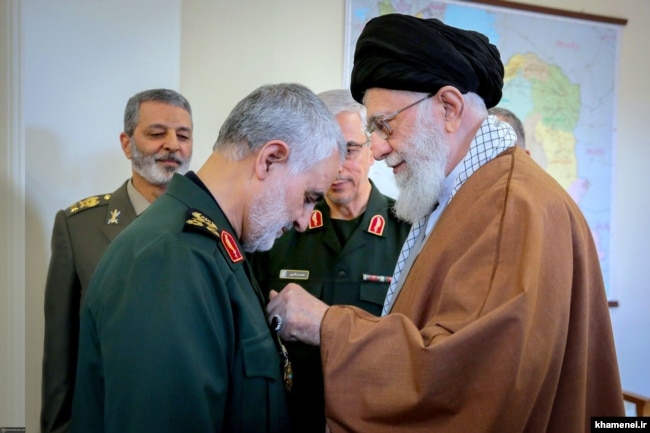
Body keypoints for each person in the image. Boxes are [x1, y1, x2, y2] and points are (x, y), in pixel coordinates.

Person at [266, 14, 624, 433]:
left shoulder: (510, 206)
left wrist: (325, 325)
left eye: (384, 125)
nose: (377, 149)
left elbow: (464, 378)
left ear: (449, 107)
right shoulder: (469, 193)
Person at [70, 83, 346, 433]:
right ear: (270, 159)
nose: (305, 221)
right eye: (309, 196)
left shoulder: (218, 248)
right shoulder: (171, 259)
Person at [251, 89, 411, 432]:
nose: (337, 166)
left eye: (350, 149)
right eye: (327, 152)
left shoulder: (408, 234)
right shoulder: (278, 232)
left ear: (372, 151)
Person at [41, 88, 193, 433]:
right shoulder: (79, 226)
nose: (172, 145)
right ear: (127, 144)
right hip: (106, 415)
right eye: (157, 133)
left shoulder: (211, 226)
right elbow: (61, 351)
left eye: (183, 135)